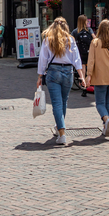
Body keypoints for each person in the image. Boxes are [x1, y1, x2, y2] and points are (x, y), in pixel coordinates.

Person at [36, 17, 87, 145]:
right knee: (64, 102)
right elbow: (77, 60)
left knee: (57, 104)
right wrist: (81, 77)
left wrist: (40, 76)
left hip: (53, 72)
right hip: (68, 72)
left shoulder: (48, 40)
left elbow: (43, 59)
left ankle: (62, 132)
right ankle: (60, 129)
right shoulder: (71, 40)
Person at [72, 15, 95, 97]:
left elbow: (71, 42)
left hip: (80, 53)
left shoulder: (75, 31)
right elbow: (95, 39)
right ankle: (91, 85)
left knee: (83, 71)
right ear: (84, 21)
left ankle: (84, 89)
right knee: (91, 70)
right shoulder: (89, 30)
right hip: (89, 53)